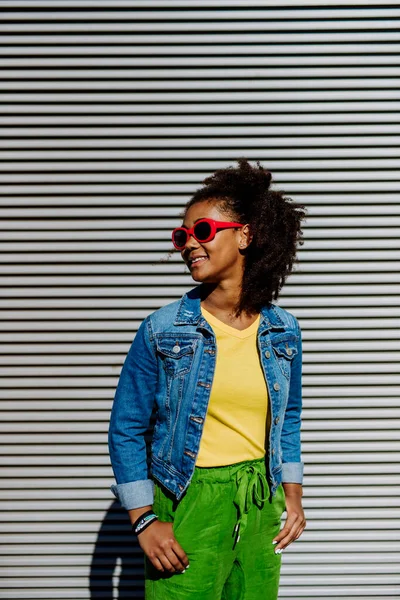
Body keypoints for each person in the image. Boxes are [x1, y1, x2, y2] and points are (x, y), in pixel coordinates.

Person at [108, 158, 308, 599]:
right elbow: (125, 427)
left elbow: (287, 418)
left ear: (245, 235)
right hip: (188, 498)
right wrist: (143, 519)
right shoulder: (163, 330)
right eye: (182, 236)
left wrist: (292, 494)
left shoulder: (283, 330)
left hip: (260, 500)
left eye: (202, 232)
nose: (188, 245)